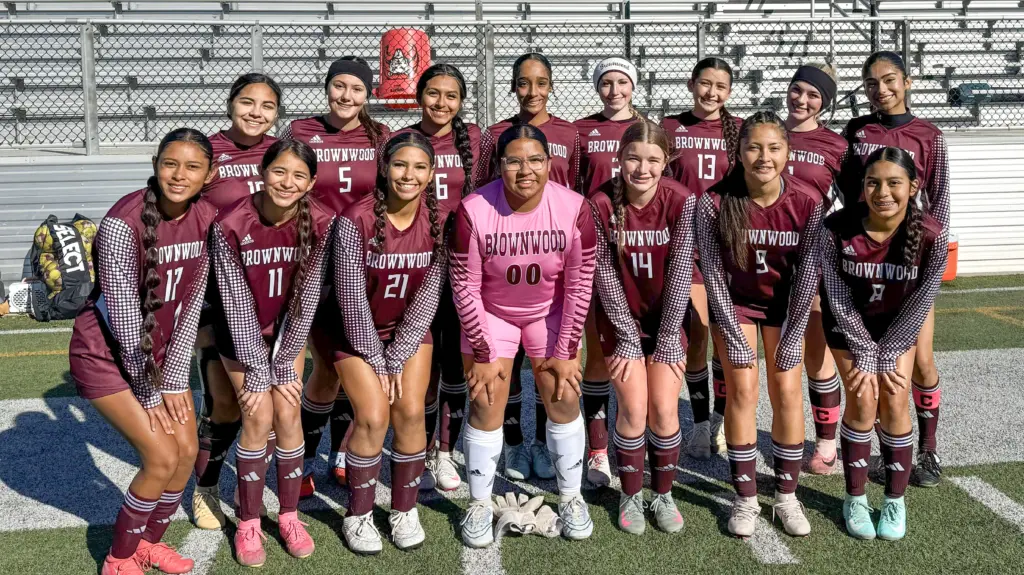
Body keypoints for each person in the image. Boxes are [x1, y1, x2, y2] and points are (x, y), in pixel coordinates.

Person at [69, 128, 217, 575]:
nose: (179, 175)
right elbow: (124, 321)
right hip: (106, 356)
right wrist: (151, 392)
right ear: (155, 165)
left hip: (160, 358)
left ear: (209, 175)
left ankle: (149, 544)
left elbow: (191, 305)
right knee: (161, 456)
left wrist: (172, 379)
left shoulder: (207, 216)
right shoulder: (122, 223)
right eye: (170, 164)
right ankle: (119, 558)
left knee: (186, 451)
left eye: (192, 167)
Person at [452, 124, 597, 548]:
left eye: (535, 160)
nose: (525, 170)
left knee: (563, 394)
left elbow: (579, 284)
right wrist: (483, 351)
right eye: (514, 161)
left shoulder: (574, 207)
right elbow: (464, 286)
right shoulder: (473, 209)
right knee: (485, 399)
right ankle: (479, 503)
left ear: (550, 163)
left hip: (549, 311)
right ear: (499, 165)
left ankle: (570, 497)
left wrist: (567, 349)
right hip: (492, 313)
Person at [696, 111, 824, 538]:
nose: (764, 157)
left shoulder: (807, 202)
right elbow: (713, 274)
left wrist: (793, 331)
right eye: (753, 147)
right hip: (735, 305)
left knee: (787, 389)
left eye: (773, 148)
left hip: (785, 307)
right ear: (738, 151)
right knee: (743, 390)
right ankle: (746, 496)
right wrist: (733, 333)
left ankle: (786, 495)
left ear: (788, 152)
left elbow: (808, 274)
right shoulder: (714, 202)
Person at [209, 139, 334, 567]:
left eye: (299, 175)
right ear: (262, 172)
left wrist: (283, 362)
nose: (287, 182)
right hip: (239, 334)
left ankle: (289, 515)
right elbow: (235, 304)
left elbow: (306, 298)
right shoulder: (230, 222)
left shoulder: (321, 221)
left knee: (288, 412)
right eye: (279, 171)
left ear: (312, 182)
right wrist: (260, 370)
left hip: (287, 333)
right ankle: (248, 521)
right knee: (258, 415)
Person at [328, 132, 449, 553]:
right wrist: (379, 359)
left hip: (407, 331)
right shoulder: (354, 219)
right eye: (400, 164)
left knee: (412, 412)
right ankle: (358, 514)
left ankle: (404, 509)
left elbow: (430, 293)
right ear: (384, 168)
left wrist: (398, 352)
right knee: (374, 416)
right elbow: (350, 298)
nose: (408, 175)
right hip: (355, 332)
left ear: (431, 174)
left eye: (419, 167)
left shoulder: (439, 221)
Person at [822, 146, 947, 541]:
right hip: (848, 326)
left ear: (913, 186)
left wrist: (888, 351)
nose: (883, 192)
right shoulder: (836, 228)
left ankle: (895, 499)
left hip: (897, 328)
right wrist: (864, 350)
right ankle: (855, 497)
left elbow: (921, 300)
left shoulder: (933, 235)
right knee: (863, 399)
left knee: (894, 398)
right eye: (873, 183)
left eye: (894, 183)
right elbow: (836, 294)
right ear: (862, 186)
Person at [840, 50, 950, 488]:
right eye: (871, 83)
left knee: (919, 361)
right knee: (867, 363)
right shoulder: (856, 130)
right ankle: (880, 450)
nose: (880, 90)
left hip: (907, 260)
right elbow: (847, 191)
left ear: (907, 82)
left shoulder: (929, 134)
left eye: (889, 80)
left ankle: (928, 449)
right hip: (864, 258)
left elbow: (939, 200)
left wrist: (928, 254)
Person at [289, 56, 392, 498]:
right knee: (328, 369)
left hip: (363, 264)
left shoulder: (381, 136)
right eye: (339, 86)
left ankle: (344, 453)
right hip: (312, 262)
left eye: (356, 89)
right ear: (327, 87)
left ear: (368, 94)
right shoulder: (300, 131)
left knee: (358, 365)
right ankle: (303, 458)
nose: (346, 96)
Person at [480, 52, 583, 482]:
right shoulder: (495, 134)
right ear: (513, 87)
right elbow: (484, 191)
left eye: (541, 82)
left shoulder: (569, 133)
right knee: (508, 363)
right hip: (505, 262)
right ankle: (514, 442)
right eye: (524, 83)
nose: (532, 91)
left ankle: (541, 440)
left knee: (547, 364)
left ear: (552, 86)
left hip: (550, 266)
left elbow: (575, 191)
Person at [590, 121, 695, 534]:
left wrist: (668, 336)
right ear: (619, 158)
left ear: (666, 162)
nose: (642, 168)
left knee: (665, 410)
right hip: (620, 321)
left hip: (667, 318)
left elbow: (682, 269)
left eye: (653, 159)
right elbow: (603, 274)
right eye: (633, 158)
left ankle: (663, 494)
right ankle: (631, 494)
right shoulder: (600, 203)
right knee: (633, 409)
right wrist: (627, 336)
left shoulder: (681, 199)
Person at [192, 72, 283, 530]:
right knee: (226, 403)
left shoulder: (281, 152)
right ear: (231, 103)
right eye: (248, 102)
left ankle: (250, 485)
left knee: (270, 405)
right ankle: (206, 486)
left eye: (267, 106)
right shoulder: (207, 152)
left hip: (272, 289)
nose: (256, 113)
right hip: (217, 293)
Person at [395, 63, 482, 491]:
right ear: (419, 96)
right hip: (416, 264)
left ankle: (445, 450)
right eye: (433, 93)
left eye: (451, 95)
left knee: (455, 363)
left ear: (461, 101)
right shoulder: (401, 140)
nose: (441, 103)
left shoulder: (477, 139)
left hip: (464, 265)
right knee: (422, 364)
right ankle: (422, 445)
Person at [660, 57, 743, 459]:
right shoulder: (670, 127)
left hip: (729, 249)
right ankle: (698, 424)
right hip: (686, 246)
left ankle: (719, 420)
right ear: (691, 83)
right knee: (696, 336)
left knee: (726, 340)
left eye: (720, 86)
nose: (712, 92)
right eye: (705, 83)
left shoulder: (740, 129)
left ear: (730, 91)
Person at [573, 56, 643, 486]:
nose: (614, 90)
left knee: (647, 353)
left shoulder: (650, 129)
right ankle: (598, 451)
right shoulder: (582, 131)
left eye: (622, 82)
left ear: (633, 86)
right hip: (600, 250)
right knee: (599, 353)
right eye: (606, 83)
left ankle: (638, 439)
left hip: (645, 253)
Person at [781, 63, 849, 475]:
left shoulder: (835, 145)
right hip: (762, 255)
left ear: (824, 103)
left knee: (814, 352)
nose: (802, 100)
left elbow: (851, 205)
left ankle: (826, 442)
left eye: (813, 95)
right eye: (797, 90)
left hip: (811, 259)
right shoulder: (766, 132)